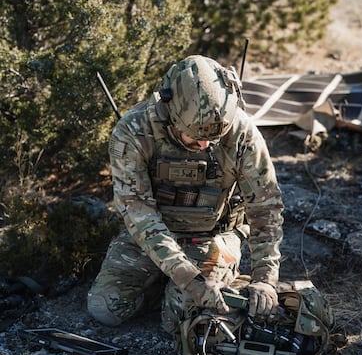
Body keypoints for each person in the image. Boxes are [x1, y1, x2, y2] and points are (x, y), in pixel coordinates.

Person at [87, 55, 284, 336]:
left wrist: (265, 278)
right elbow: (139, 215)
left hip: (212, 236)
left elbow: (266, 208)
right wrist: (186, 277)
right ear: (170, 112)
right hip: (153, 236)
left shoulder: (242, 133)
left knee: (179, 321)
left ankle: (208, 287)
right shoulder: (134, 132)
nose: (204, 144)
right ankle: (165, 285)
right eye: (193, 136)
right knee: (105, 308)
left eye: (214, 138)